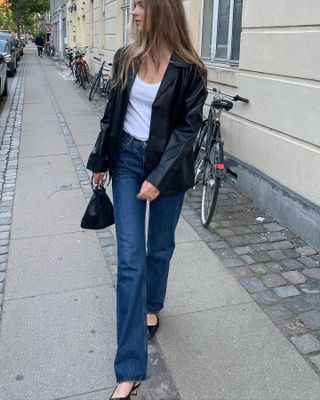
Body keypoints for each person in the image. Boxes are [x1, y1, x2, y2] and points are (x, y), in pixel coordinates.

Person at [86, 0, 207, 398]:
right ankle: (130, 370)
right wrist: (100, 159)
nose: (133, 12)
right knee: (130, 261)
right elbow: (112, 114)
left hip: (167, 169)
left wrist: (159, 176)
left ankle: (152, 304)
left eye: (140, 5)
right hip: (126, 162)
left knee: (160, 248)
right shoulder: (126, 57)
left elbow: (187, 131)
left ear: (162, 10)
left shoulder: (189, 69)